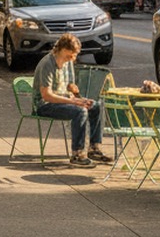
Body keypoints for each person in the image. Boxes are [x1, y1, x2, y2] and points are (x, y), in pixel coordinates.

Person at [31, 34, 112, 167]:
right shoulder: (48, 64)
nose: (73, 58)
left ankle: (94, 148)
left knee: (96, 106)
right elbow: (47, 95)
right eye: (71, 54)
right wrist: (74, 102)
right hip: (45, 105)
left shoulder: (68, 63)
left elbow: (69, 86)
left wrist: (77, 96)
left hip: (63, 100)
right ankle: (77, 154)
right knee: (80, 112)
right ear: (62, 49)